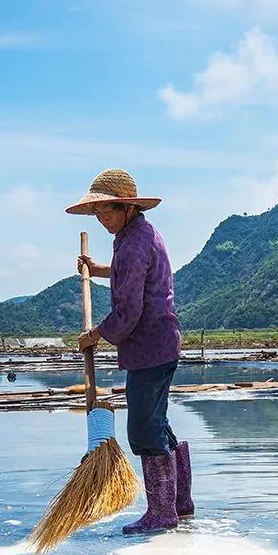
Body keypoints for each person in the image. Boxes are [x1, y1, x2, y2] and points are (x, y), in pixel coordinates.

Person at [66, 168, 192, 535]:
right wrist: (97, 269)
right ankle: (179, 504)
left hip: (151, 344)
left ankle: (162, 513)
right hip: (159, 343)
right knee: (157, 423)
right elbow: (127, 274)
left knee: (142, 428)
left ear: (127, 206)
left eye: (107, 210)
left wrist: (97, 334)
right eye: (98, 213)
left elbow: (129, 310)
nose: (102, 218)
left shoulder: (135, 241)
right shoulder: (133, 235)